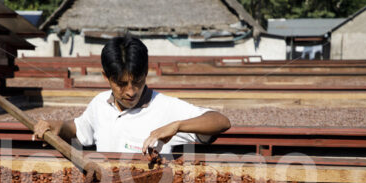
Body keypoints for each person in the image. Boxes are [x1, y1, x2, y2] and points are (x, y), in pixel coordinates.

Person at [34, 35, 231, 158]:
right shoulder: (100, 104)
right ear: (107, 78)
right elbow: (80, 128)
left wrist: (177, 125)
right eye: (121, 84)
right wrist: (57, 126)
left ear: (146, 74)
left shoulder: (165, 107)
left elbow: (220, 121)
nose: (130, 91)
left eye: (137, 81)